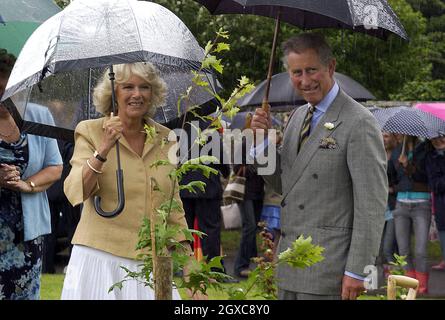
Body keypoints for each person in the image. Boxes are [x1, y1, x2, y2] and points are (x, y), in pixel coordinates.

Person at [250, 33, 387, 300]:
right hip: (289, 264)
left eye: (311, 70)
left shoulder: (359, 121)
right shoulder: (297, 117)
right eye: (296, 72)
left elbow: (371, 204)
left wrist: (358, 271)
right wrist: (261, 144)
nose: (305, 80)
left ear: (331, 67)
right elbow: (284, 184)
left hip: (331, 270)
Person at [61, 62, 195, 300]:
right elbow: (75, 191)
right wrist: (103, 149)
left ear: (153, 93)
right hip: (100, 258)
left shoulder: (167, 138)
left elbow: (172, 208)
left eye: (144, 87)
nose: (137, 94)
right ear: (114, 93)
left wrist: (189, 267)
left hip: (151, 262)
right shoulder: (90, 130)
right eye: (128, 87)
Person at [0, 48, 63, 299]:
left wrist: (28, 184)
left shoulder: (39, 115)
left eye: (8, 89)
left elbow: (55, 166)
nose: (3, 96)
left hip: (27, 233)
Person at [388, 135, 431, 294]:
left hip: (421, 203)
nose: (399, 134)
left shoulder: (425, 148)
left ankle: (422, 285)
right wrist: (395, 187)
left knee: (420, 250)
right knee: (403, 250)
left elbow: (427, 176)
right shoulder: (397, 151)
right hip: (401, 205)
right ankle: (410, 284)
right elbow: (391, 176)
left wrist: (408, 166)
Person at [232, 163, 264, 278]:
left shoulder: (265, 148)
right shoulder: (245, 145)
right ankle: (240, 266)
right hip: (244, 193)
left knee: (253, 228)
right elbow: (236, 168)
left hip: (258, 193)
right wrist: (255, 165)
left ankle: (251, 263)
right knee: (249, 227)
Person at [380, 131, 399, 277]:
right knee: (379, 248)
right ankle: (387, 280)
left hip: (393, 207)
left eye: (386, 136)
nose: (383, 139)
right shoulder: (377, 153)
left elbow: (405, 181)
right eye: (381, 136)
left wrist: (392, 189)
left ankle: (394, 279)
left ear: (393, 137)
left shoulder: (399, 156)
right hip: (379, 208)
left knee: (389, 246)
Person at [425, 135, 445, 271]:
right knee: (443, 233)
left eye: (442, 137)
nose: (438, 140)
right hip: (441, 204)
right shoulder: (431, 158)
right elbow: (435, 185)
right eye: (433, 138)